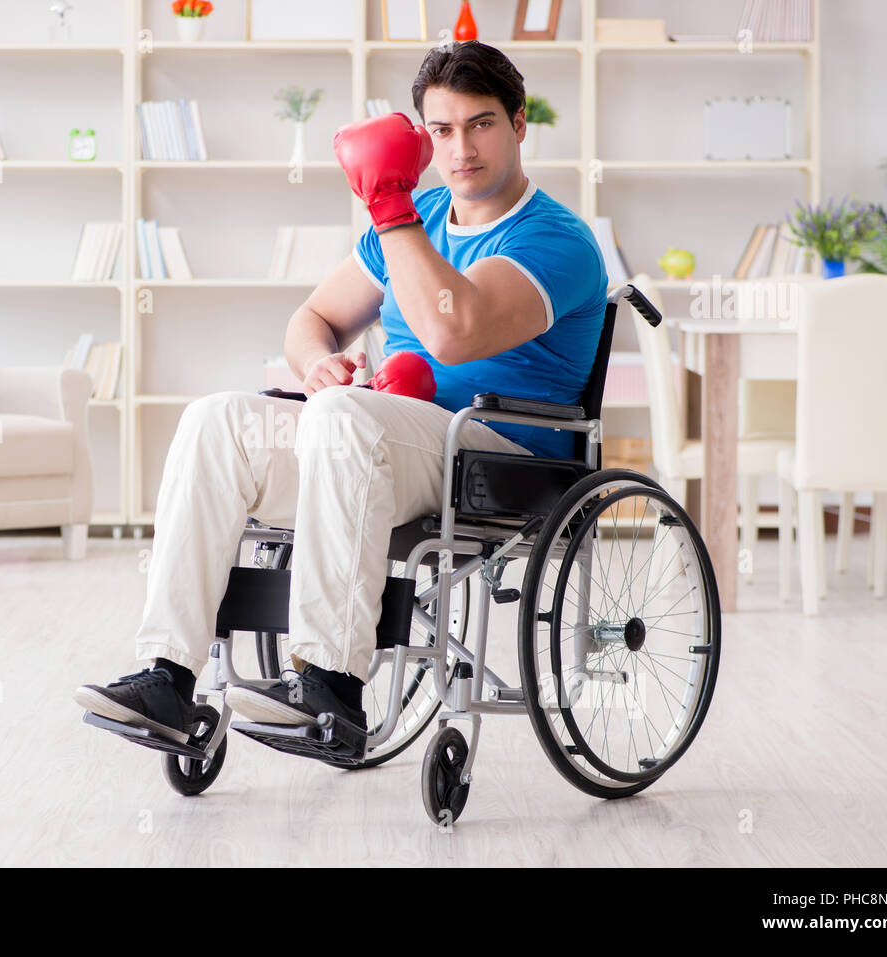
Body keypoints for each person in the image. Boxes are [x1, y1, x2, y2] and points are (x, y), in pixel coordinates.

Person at [73, 41, 608, 748]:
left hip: (497, 456)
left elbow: (452, 331)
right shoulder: (420, 213)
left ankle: (330, 686)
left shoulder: (558, 240)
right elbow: (311, 320)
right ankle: (168, 678)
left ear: (518, 125)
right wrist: (318, 361)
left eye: (480, 124)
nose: (460, 149)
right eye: (440, 131)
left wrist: (391, 208)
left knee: (344, 417)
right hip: (375, 441)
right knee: (217, 419)